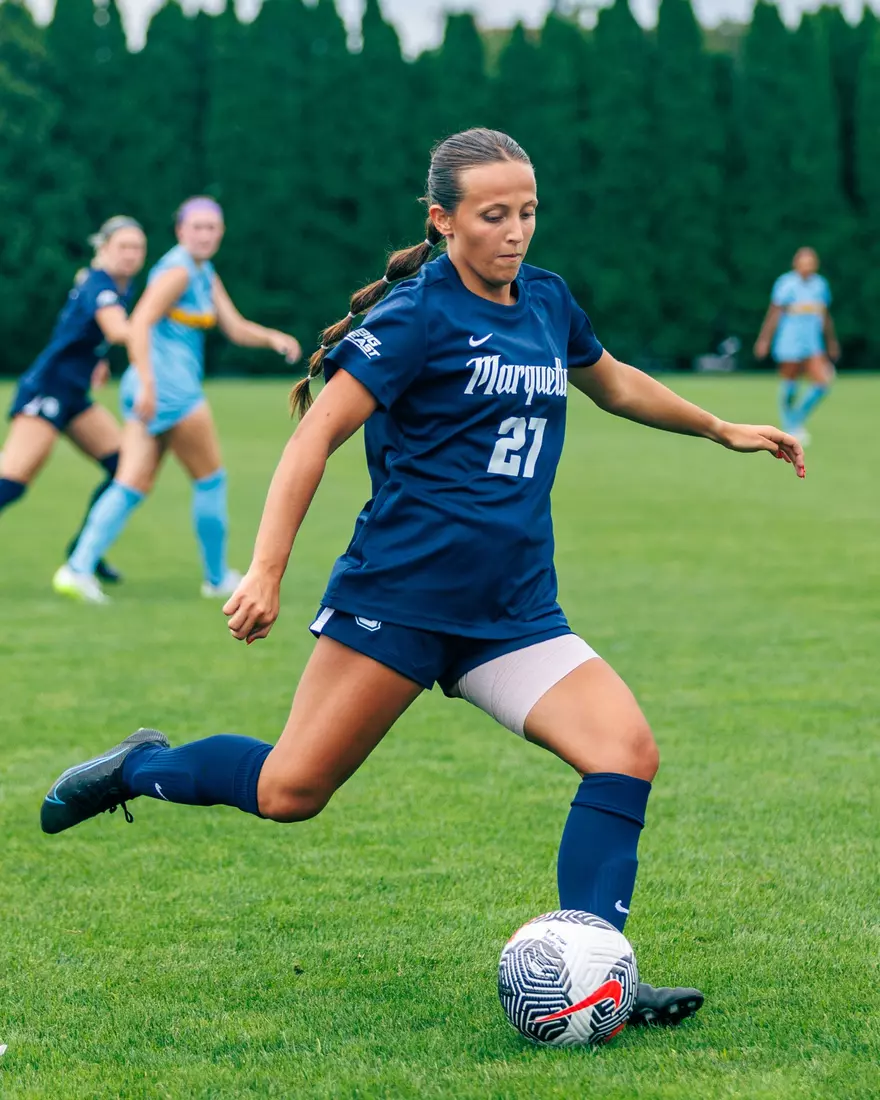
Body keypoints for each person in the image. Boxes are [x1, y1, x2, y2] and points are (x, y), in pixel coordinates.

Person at [41, 131, 805, 1028]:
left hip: (514, 611)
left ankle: (598, 968)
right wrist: (266, 571)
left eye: (527, 212)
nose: (515, 231)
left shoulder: (547, 301)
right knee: (290, 791)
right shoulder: (416, 316)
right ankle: (140, 766)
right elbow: (314, 437)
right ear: (443, 220)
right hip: (398, 602)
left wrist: (721, 427)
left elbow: (615, 384)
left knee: (624, 753)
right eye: (493, 215)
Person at [52, 196, 302, 604]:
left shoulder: (203, 271)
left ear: (221, 232)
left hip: (153, 387)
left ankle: (77, 568)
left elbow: (234, 326)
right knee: (211, 479)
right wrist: (150, 383)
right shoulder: (178, 271)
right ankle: (216, 578)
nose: (205, 234)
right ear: (181, 231)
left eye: (212, 227)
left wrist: (271, 338)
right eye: (197, 227)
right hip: (169, 389)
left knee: (131, 482)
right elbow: (139, 323)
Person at [1, 216, 147, 581]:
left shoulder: (116, 285)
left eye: (137, 248)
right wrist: (160, 334)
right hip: (47, 391)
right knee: (12, 481)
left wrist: (97, 360)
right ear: (104, 249)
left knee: (124, 467)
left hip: (73, 395)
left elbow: (84, 330)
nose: (131, 255)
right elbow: (117, 330)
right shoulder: (101, 284)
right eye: (123, 247)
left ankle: (85, 551)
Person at [754, 247, 839, 444]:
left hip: (812, 341)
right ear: (796, 263)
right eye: (804, 262)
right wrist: (764, 339)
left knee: (823, 383)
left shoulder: (820, 285)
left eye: (811, 263)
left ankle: (796, 419)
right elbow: (774, 313)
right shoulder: (786, 283)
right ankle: (789, 424)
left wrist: (831, 341)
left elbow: (825, 316)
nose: (807, 266)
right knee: (790, 382)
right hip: (790, 339)